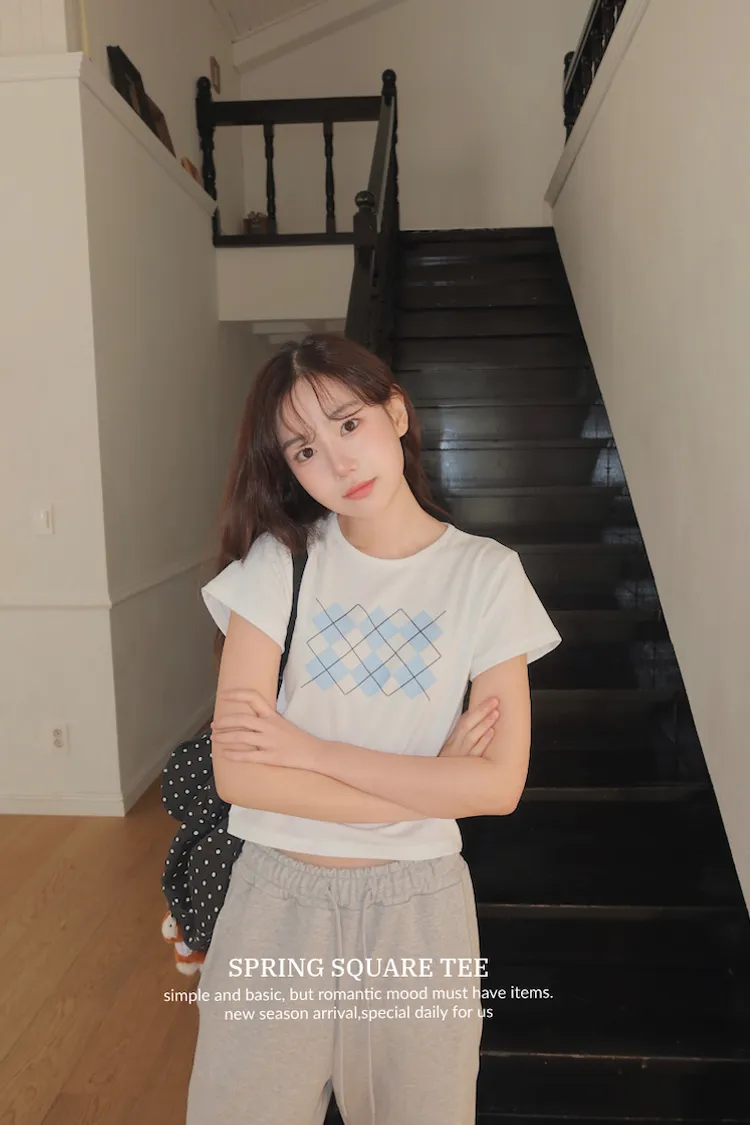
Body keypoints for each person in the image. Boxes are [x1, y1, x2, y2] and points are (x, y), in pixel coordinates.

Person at [185, 333, 562, 1125]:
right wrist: (431, 786)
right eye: (304, 449)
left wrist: (310, 751)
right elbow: (240, 775)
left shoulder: (487, 575)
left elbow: (498, 786)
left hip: (416, 910)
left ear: (396, 411)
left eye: (348, 423)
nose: (337, 461)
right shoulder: (278, 563)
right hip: (275, 902)